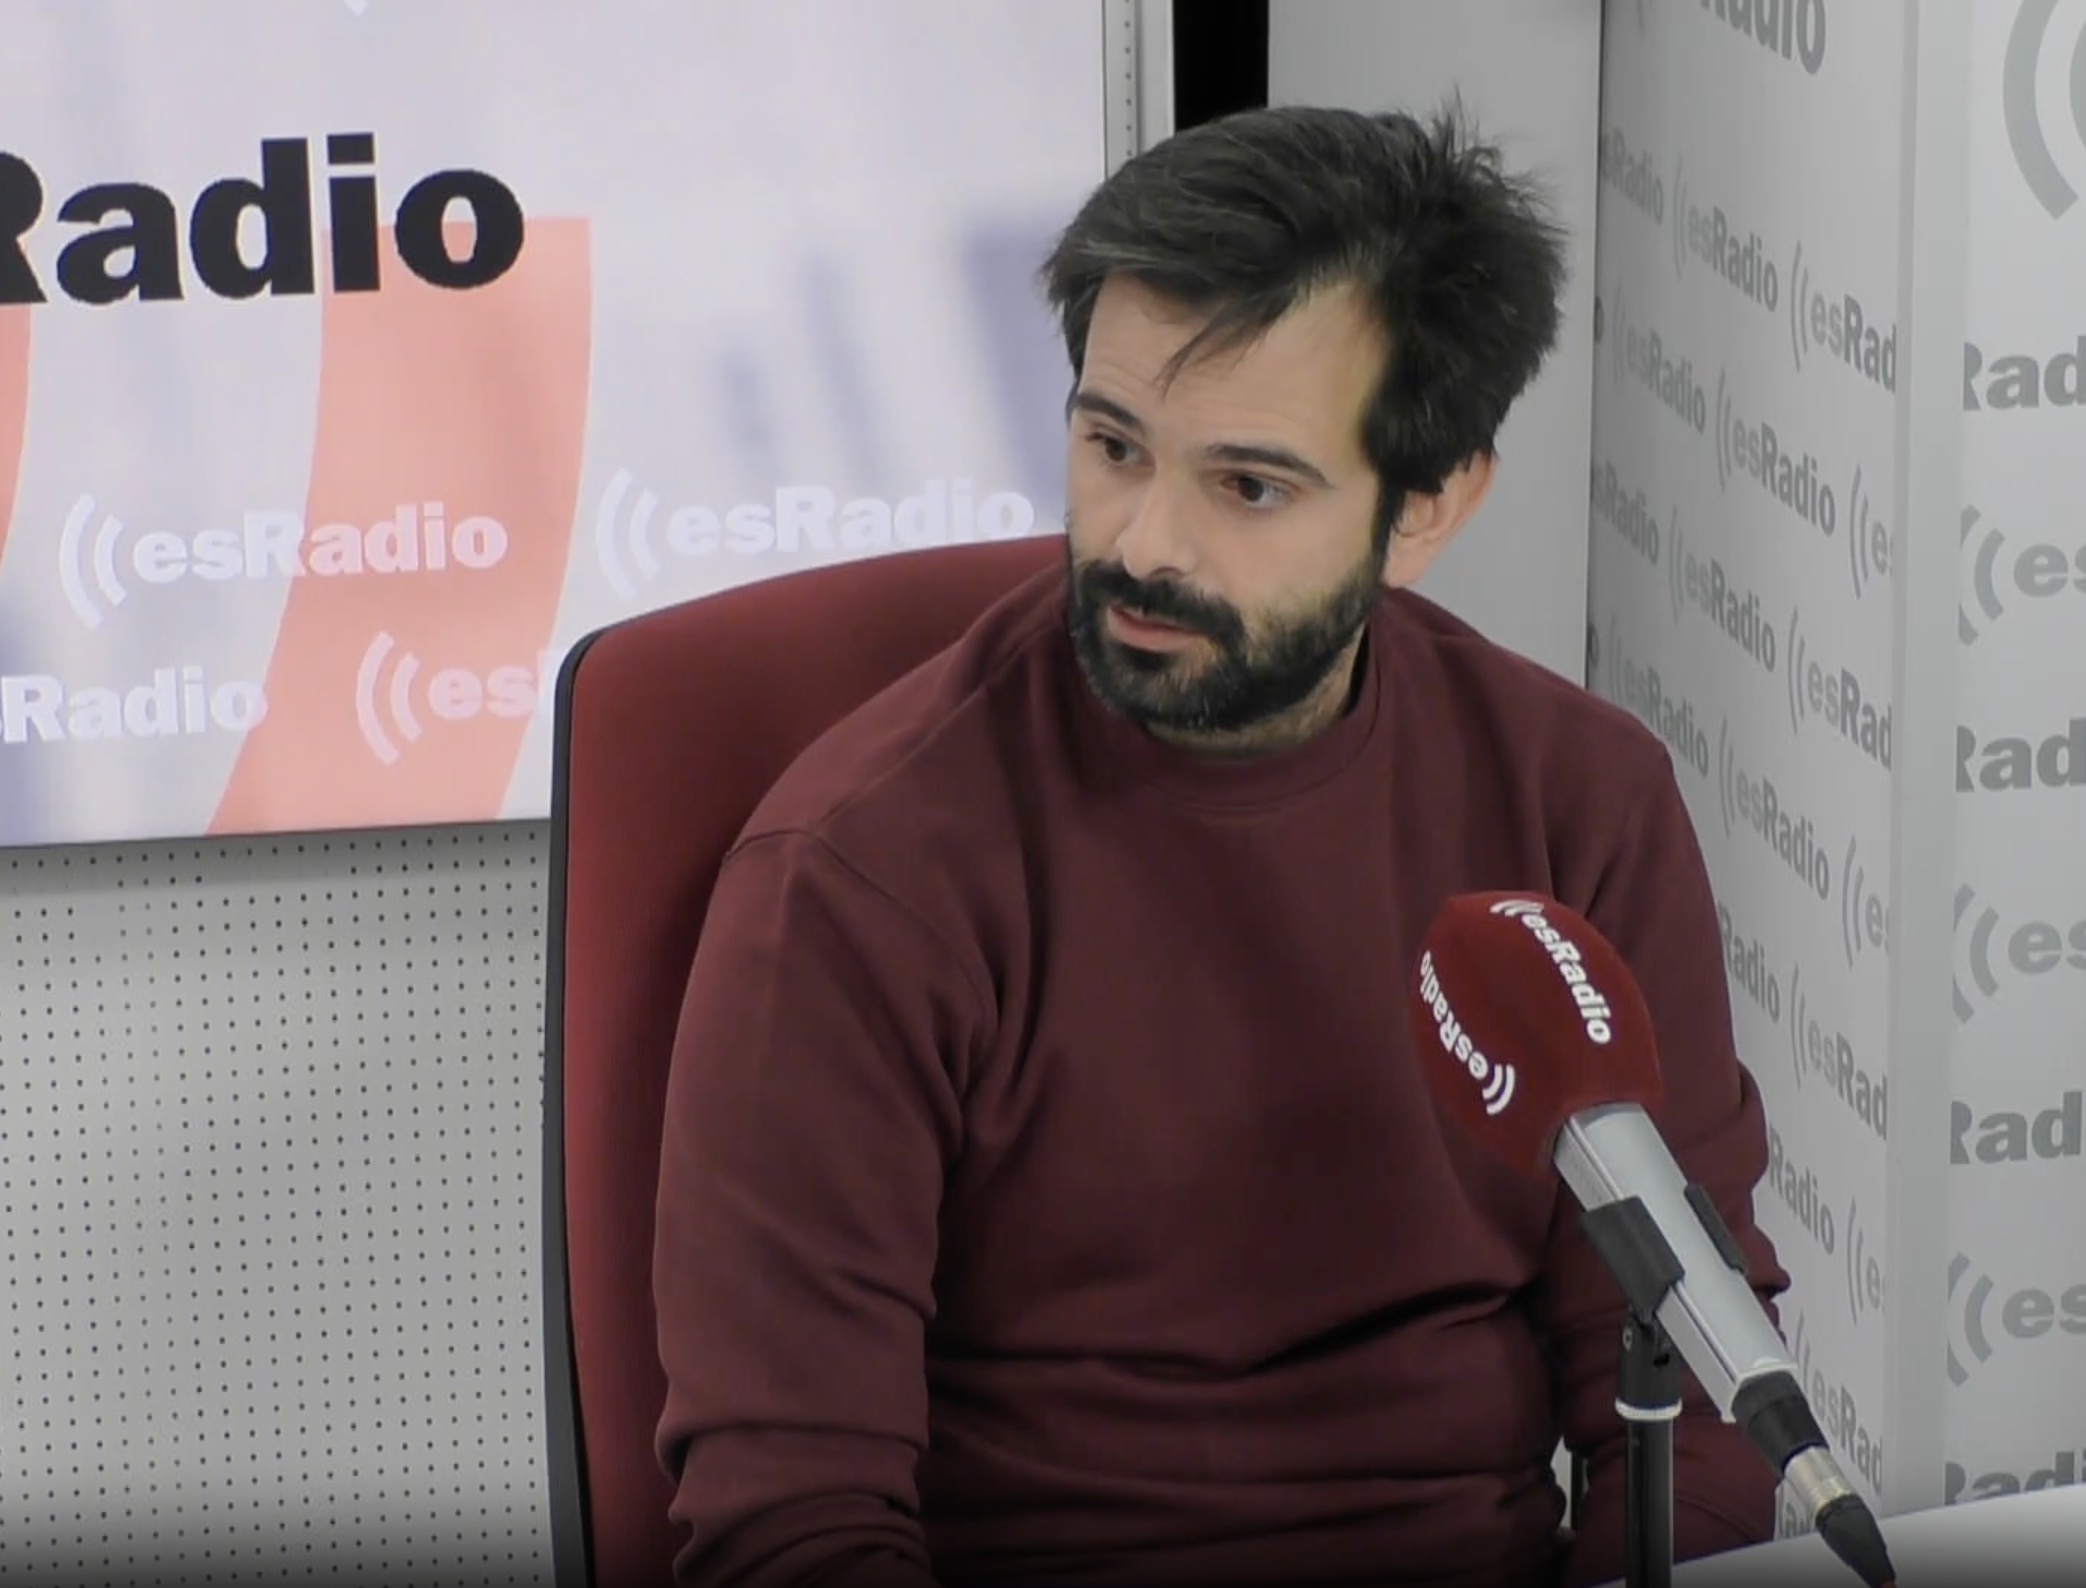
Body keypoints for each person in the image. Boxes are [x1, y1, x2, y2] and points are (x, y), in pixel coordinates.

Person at [650, 101, 1787, 1588]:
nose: (1143, 544)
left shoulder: (1578, 803)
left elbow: (1693, 1397)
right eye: (1111, 445)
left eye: (1247, 485)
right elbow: (790, 1517)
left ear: (1428, 506)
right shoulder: (859, 870)